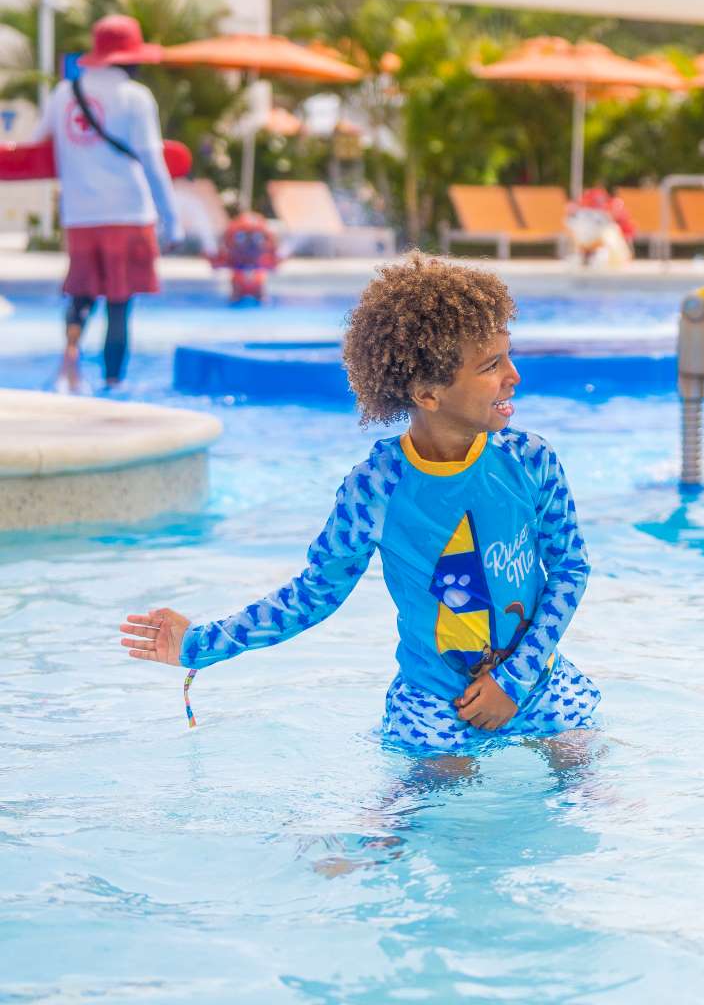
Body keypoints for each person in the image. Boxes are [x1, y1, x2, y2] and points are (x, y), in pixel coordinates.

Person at [118, 254, 600, 753]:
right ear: (428, 394)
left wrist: (513, 680)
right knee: (437, 794)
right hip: (436, 700)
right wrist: (200, 644)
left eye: (507, 356)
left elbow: (570, 568)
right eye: (491, 365)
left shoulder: (530, 460)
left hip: (536, 679)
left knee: (580, 763)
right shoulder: (377, 488)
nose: (514, 375)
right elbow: (314, 593)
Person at [33, 15, 183, 391]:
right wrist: (172, 219)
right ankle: (112, 382)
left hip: (79, 216)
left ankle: (70, 353)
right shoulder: (135, 97)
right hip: (129, 213)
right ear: (131, 58)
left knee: (81, 293)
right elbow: (153, 162)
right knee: (119, 302)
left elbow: (37, 148)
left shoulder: (63, 93)